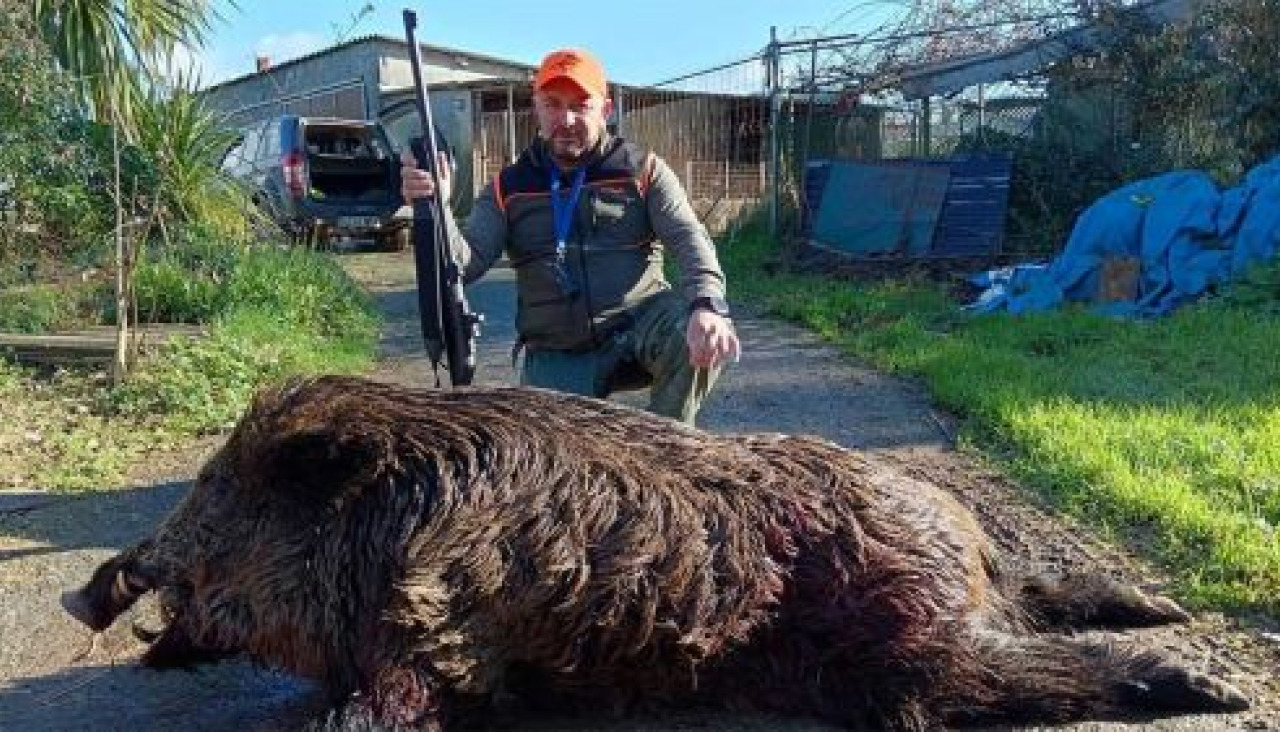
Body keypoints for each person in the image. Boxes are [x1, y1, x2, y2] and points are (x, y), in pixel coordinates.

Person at [401, 48, 740, 426]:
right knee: (552, 463)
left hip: (637, 329)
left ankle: (665, 448)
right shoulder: (506, 187)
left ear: (605, 110)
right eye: (553, 104)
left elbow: (689, 240)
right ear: (536, 109)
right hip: (558, 349)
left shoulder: (644, 171)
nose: (566, 119)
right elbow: (464, 264)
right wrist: (437, 207)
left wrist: (708, 304)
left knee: (692, 330)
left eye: (581, 105)